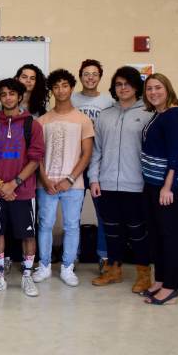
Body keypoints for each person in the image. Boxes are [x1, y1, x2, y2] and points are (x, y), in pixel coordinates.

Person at [89, 67, 154, 292]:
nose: (123, 88)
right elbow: (96, 151)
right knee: (112, 230)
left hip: (137, 185)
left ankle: (144, 274)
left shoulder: (148, 114)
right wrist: (94, 179)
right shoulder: (105, 115)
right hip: (106, 184)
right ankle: (114, 270)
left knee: (137, 232)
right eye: (118, 84)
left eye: (127, 83)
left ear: (136, 86)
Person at [0, 79, 45, 297]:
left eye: (12, 93)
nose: (8, 97)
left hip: (23, 192)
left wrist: (14, 183)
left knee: (28, 235)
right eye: (3, 94)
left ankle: (27, 276)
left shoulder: (32, 125)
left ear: (19, 96)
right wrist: (0, 184)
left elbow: (35, 159)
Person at [33, 69, 94, 287]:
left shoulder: (83, 120)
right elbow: (37, 155)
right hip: (46, 184)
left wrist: (69, 179)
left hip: (73, 185)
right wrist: (44, 178)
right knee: (45, 224)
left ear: (71, 88)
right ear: (52, 90)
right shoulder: (42, 120)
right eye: (56, 86)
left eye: (65, 85)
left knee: (71, 226)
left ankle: (68, 267)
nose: (61, 90)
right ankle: (45, 266)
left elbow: (87, 153)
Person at [140, 73, 178, 305]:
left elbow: (176, 155)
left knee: (170, 236)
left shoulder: (174, 115)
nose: (154, 92)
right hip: (154, 185)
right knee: (158, 236)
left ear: (167, 89)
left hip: (171, 187)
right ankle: (161, 280)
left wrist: (167, 186)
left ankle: (171, 288)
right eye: (150, 88)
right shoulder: (157, 114)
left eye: (158, 88)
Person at [71, 59, 113, 269]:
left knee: (103, 214)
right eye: (86, 73)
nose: (90, 77)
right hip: (75, 164)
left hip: (100, 164)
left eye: (94, 74)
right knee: (73, 214)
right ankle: (73, 254)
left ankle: (104, 256)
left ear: (100, 77)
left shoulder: (108, 101)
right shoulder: (70, 99)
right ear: (80, 76)